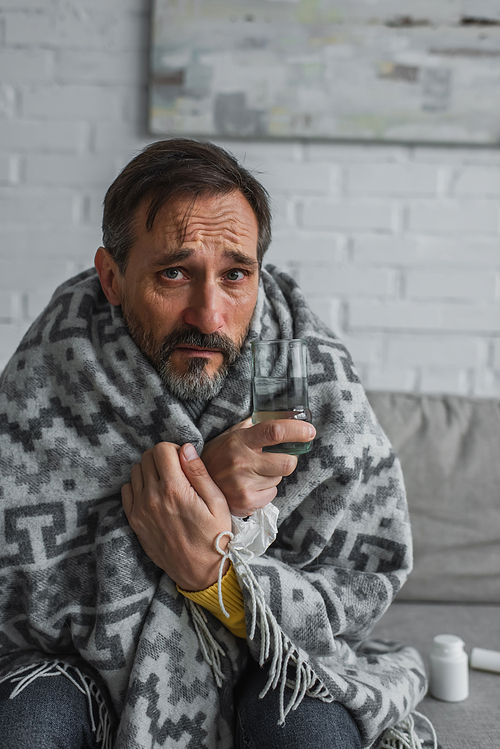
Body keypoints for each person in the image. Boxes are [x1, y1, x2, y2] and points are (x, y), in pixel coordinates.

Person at [0, 139, 429, 749]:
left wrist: (209, 568)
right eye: (174, 273)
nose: (209, 314)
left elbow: (365, 581)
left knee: (309, 733)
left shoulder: (312, 370)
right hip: (87, 666)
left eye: (235, 275)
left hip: (271, 651)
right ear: (113, 276)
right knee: (26, 725)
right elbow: (18, 595)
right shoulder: (53, 367)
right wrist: (198, 496)